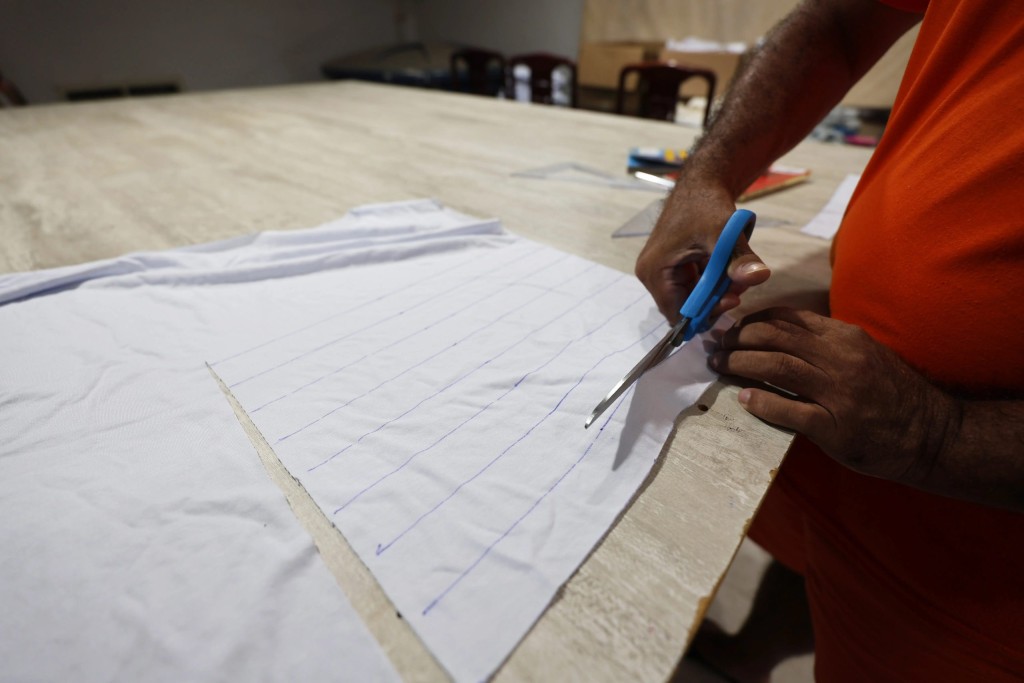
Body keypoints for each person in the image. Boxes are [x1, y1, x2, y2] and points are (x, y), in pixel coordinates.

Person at [634, 0, 1024, 680]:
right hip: (852, 442)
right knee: (816, 552)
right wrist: (705, 174)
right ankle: (754, 651)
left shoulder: (925, 437)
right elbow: (839, 24)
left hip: (986, 581)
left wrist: (939, 432)